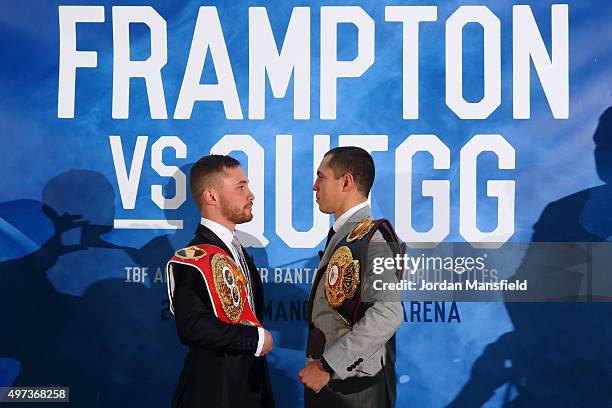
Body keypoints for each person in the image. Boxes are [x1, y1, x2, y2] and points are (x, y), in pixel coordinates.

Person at [166, 155, 275, 408]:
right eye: (241, 187)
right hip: (212, 395)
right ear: (211, 196)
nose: (251, 195)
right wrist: (256, 339)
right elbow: (192, 326)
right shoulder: (194, 256)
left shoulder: (237, 250)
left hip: (250, 391)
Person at [299, 147, 404, 407]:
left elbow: (388, 313)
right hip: (336, 383)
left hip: (353, 391)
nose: (315, 186)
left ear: (346, 181)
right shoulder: (345, 237)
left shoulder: (373, 239)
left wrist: (326, 366)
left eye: (321, 177)